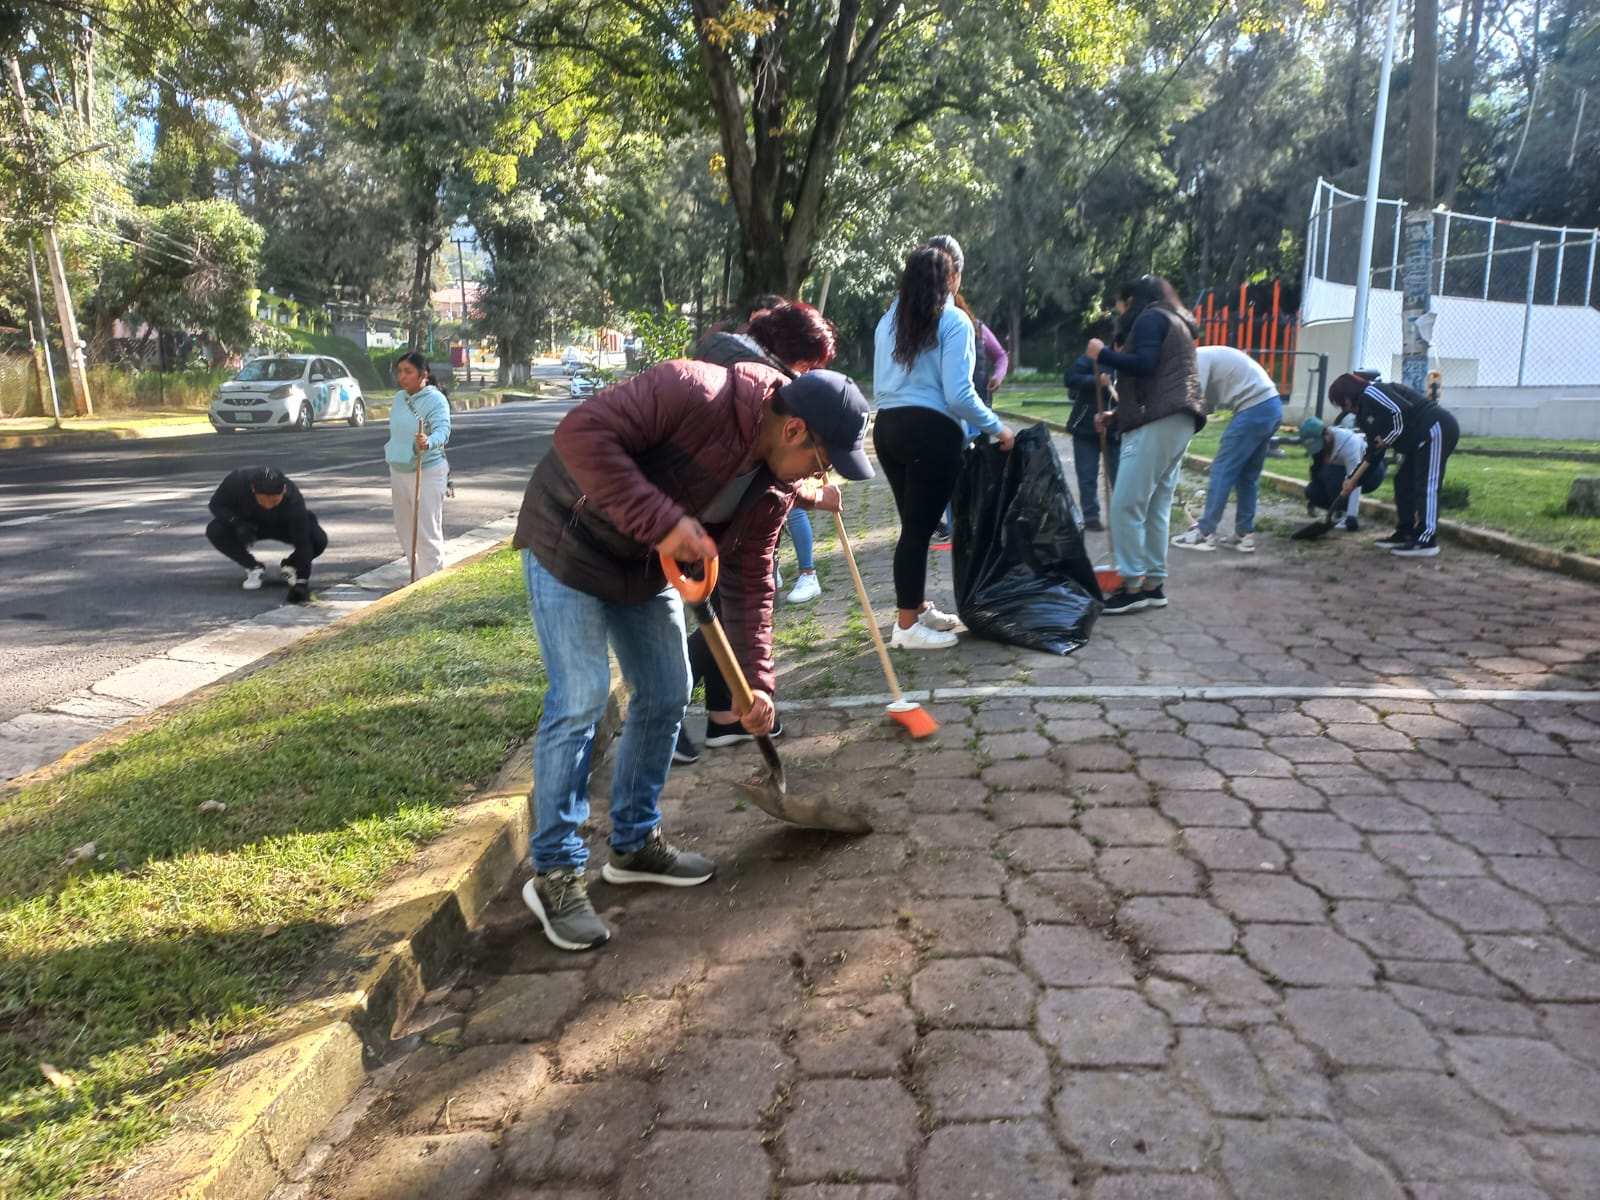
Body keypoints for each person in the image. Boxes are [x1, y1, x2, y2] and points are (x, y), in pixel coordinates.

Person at [510, 358, 873, 951]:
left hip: (646, 566)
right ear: (794, 431)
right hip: (569, 542)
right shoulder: (692, 390)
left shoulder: (776, 486)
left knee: (669, 689)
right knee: (580, 696)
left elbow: (753, 581)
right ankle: (554, 871)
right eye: (823, 460)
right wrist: (665, 522)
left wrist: (754, 685)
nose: (818, 476)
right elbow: (579, 434)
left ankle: (632, 843)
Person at [677, 301, 840, 765]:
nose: (810, 377)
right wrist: (808, 493)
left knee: (731, 612)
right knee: (722, 620)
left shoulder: (767, 381)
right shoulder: (745, 382)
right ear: (790, 353)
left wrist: (811, 493)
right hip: (690, 526)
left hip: (721, 522)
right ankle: (665, 716)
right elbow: (758, 467)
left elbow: (768, 471)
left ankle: (724, 718)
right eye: (810, 366)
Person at [873, 244, 1015, 651]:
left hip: (888, 429)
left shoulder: (888, 322)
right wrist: (998, 428)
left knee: (913, 526)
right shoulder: (953, 321)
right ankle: (905, 628)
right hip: (931, 433)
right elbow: (959, 395)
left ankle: (915, 607)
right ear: (950, 279)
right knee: (918, 529)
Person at [1089, 275, 1206, 614]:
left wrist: (1104, 354)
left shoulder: (1151, 318)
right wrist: (1115, 414)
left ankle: (1132, 586)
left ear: (1134, 299)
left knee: (1127, 503)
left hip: (1158, 420)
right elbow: (1155, 380)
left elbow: (1145, 364)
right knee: (1155, 505)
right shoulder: (1176, 322)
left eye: (1121, 303)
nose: (1118, 310)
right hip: (1177, 418)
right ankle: (1153, 584)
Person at [924, 234, 1008, 545]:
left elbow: (1001, 356)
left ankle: (973, 522)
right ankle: (950, 524)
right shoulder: (924, 322)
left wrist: (997, 375)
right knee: (946, 473)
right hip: (950, 411)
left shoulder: (973, 326)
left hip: (974, 407)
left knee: (973, 469)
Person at [1328, 371, 1458, 557]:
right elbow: (1373, 452)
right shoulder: (1364, 417)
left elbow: (1400, 410)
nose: (1344, 408)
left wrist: (1389, 438)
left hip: (1435, 429)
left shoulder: (1373, 391)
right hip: (1417, 441)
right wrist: (1353, 479)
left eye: (1342, 403)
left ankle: (1426, 540)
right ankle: (1405, 533)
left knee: (1426, 485)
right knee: (1403, 482)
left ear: (1348, 398)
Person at [1170, 345, 1285, 554]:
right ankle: (1245, 535)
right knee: (1247, 475)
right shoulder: (1205, 357)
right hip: (1272, 405)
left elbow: (1194, 403)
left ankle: (1204, 533)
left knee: (1222, 469)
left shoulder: (1196, 358)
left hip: (1254, 408)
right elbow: (1208, 407)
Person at [205, 466, 324, 603]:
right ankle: (252, 566)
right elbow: (216, 505)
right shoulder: (237, 481)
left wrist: (302, 583)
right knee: (215, 530)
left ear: (284, 490)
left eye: (274, 501)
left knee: (318, 539)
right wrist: (237, 523)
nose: (268, 505)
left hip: (283, 526)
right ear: (253, 490)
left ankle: (292, 565)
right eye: (263, 500)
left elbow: (303, 541)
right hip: (249, 525)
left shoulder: (293, 499)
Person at [386, 351, 452, 578]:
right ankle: (416, 577)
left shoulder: (436, 400)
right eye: (400, 371)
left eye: (408, 372)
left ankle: (432, 581)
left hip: (427, 471)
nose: (402, 376)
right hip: (399, 469)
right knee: (405, 528)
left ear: (423, 375)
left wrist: (429, 441)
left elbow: (443, 430)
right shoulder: (399, 398)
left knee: (426, 530)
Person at [1063, 318, 1120, 531]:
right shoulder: (1092, 358)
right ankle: (1091, 517)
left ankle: (1122, 517)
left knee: (1119, 475)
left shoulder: (1130, 363)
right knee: (1086, 474)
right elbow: (1070, 378)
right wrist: (1097, 380)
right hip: (1085, 426)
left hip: (1115, 428)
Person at [1297, 415, 1385, 530]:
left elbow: (1355, 480)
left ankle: (1345, 512)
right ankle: (1338, 512)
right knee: (1311, 491)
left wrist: (1351, 516)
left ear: (1326, 435)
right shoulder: (1321, 449)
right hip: (1341, 475)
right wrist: (1313, 501)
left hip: (1371, 473)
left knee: (1328, 473)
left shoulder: (1349, 444)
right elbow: (1317, 475)